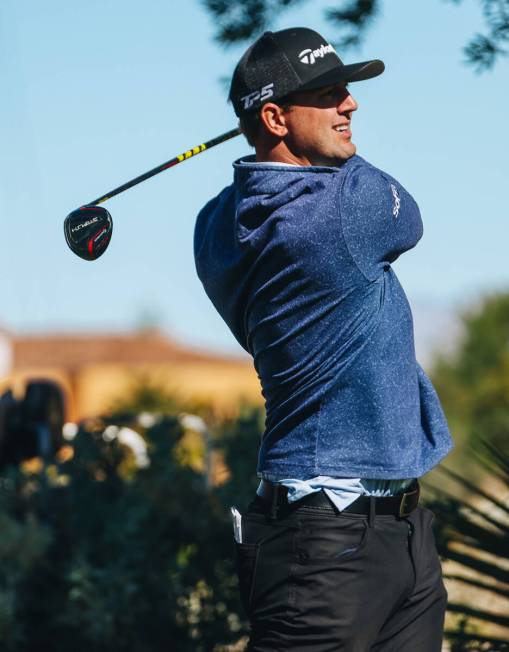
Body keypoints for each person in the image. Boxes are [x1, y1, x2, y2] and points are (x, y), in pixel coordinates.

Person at [194, 26, 454, 652]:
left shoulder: (214, 224)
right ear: (277, 116)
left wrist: (273, 141)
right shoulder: (343, 213)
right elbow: (409, 215)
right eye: (329, 93)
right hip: (328, 546)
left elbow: (251, 187)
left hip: (388, 529)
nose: (350, 105)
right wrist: (310, 148)